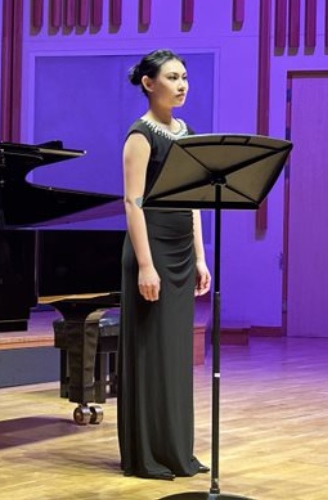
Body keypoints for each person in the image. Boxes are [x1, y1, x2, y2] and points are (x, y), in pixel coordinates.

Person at [117, 49, 212, 481]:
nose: (182, 85)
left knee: (175, 357)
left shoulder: (186, 132)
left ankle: (176, 452)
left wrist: (200, 256)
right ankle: (147, 455)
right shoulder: (140, 135)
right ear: (148, 83)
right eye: (172, 77)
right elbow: (132, 203)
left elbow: (193, 198)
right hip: (150, 248)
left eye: (185, 77)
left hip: (179, 251)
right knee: (150, 353)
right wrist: (145, 265)